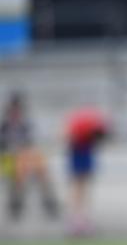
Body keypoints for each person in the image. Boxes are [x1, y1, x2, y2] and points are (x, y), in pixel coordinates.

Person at [0, 92, 59, 220]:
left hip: (23, 158)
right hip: (7, 159)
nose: (15, 112)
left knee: (39, 166)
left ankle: (48, 201)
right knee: (15, 171)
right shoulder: (4, 126)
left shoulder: (26, 125)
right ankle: (15, 202)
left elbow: (30, 145)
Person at [65, 106, 110, 236]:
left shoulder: (88, 124)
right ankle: (76, 220)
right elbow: (68, 136)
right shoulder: (79, 125)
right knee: (78, 187)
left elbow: (100, 136)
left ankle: (82, 219)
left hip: (84, 152)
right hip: (78, 152)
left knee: (83, 187)